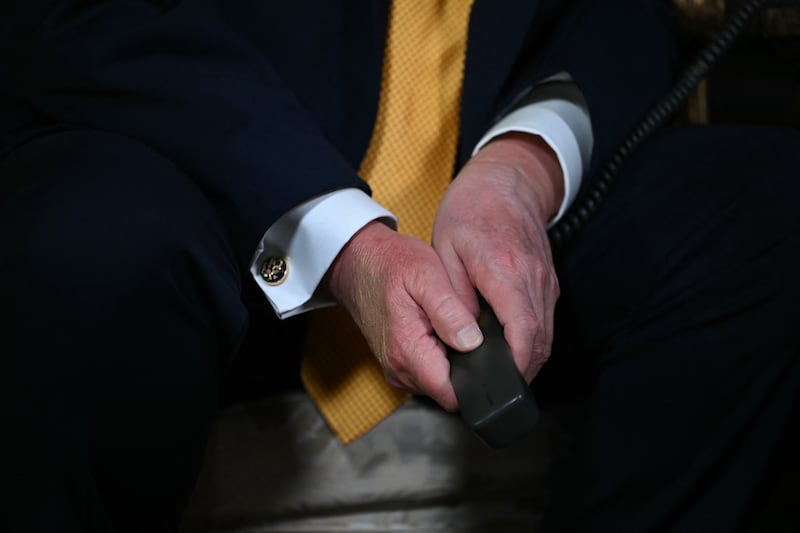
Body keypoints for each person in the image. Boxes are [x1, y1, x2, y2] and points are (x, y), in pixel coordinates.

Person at [1, 0, 798, 531]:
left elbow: (612, 14)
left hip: (492, 196)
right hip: (207, 164)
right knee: (86, 255)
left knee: (767, 208)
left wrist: (521, 171)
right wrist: (345, 239)